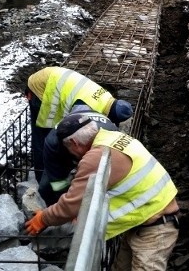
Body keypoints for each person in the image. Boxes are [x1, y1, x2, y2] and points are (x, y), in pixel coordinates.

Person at [25, 114, 180, 271]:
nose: (70, 154)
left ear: (73, 142)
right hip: (143, 219)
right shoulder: (113, 137)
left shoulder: (96, 157)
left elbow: (71, 204)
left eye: (68, 149)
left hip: (155, 228)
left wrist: (43, 218)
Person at [25, 66, 133, 182]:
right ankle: (41, 177)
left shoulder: (107, 98)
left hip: (52, 76)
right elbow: (69, 130)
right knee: (44, 138)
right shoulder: (84, 107)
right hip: (42, 87)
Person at [38, 104, 119, 206]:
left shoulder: (110, 136)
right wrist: (67, 207)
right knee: (46, 189)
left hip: (93, 135)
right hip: (63, 152)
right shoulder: (53, 144)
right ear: (74, 143)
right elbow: (57, 181)